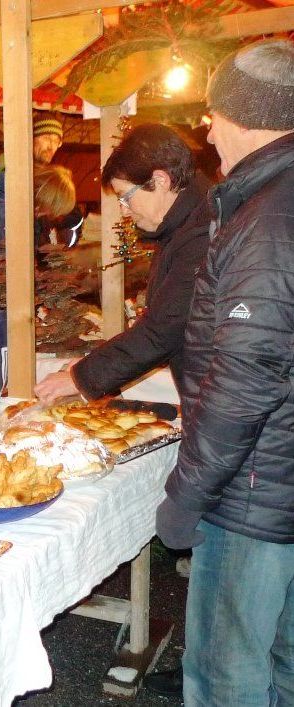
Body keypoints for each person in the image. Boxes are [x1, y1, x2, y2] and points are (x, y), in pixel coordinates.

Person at [155, 38, 294, 707]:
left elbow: (247, 376)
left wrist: (186, 494)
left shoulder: (266, 217)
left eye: (214, 113)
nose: (207, 128)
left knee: (224, 678)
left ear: (247, 115)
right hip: (281, 481)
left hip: (254, 495)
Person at [34, 124, 211, 405]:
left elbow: (164, 330)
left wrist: (80, 377)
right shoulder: (182, 226)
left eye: (125, 197)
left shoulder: (202, 233)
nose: (124, 211)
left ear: (160, 180)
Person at [0, 163, 76, 305]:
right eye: (50, 209)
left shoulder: (21, 213)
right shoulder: (1, 214)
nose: (47, 215)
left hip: (0, 308)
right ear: (42, 196)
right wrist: (25, 294)